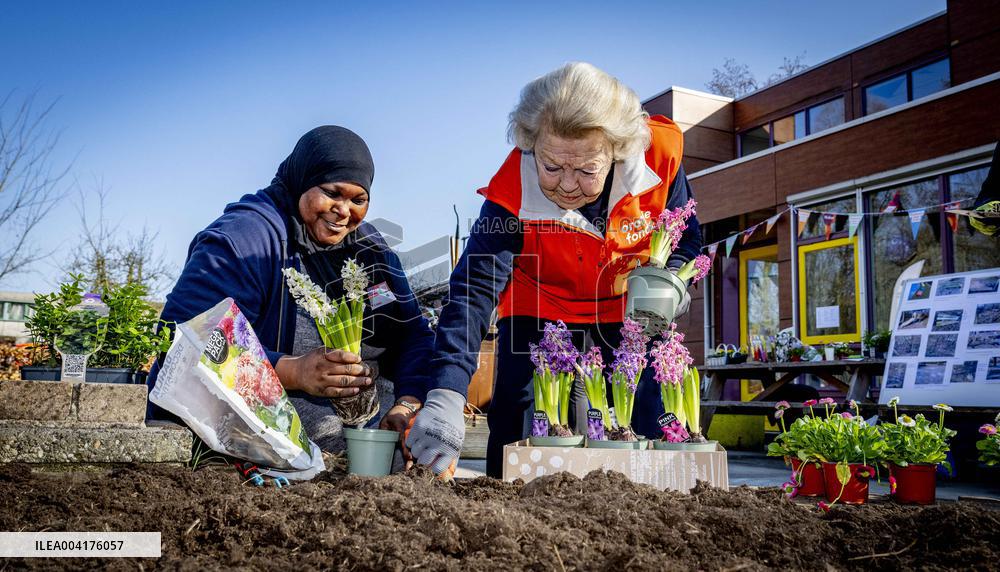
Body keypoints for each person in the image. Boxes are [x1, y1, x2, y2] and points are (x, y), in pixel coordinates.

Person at [406, 63, 702, 477]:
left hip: (628, 304)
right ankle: (504, 506)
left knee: (646, 411)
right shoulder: (513, 188)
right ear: (533, 146)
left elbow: (686, 237)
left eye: (585, 170)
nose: (566, 185)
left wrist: (672, 282)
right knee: (517, 409)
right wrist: (447, 394)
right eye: (551, 166)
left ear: (615, 151)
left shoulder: (659, 159)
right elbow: (473, 290)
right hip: (537, 299)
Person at [149, 126, 434, 458]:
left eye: (358, 200)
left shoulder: (371, 251)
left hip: (366, 420)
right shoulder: (244, 241)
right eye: (332, 192)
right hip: (257, 420)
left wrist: (408, 404)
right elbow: (183, 339)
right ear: (303, 179)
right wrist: (294, 371)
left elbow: (413, 333)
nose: (344, 211)